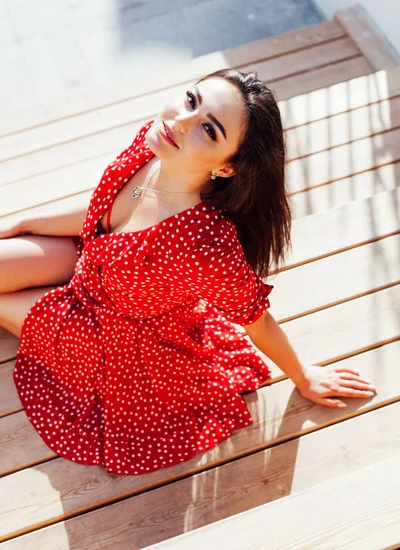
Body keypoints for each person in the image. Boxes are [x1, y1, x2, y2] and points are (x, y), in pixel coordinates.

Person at [0, 68, 377, 476]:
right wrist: (30, 223)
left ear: (228, 167)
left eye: (208, 130)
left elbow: (257, 321)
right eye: (192, 100)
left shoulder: (204, 248)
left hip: (113, 334)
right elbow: (103, 206)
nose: (181, 120)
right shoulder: (159, 142)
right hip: (92, 260)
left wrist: (303, 376)